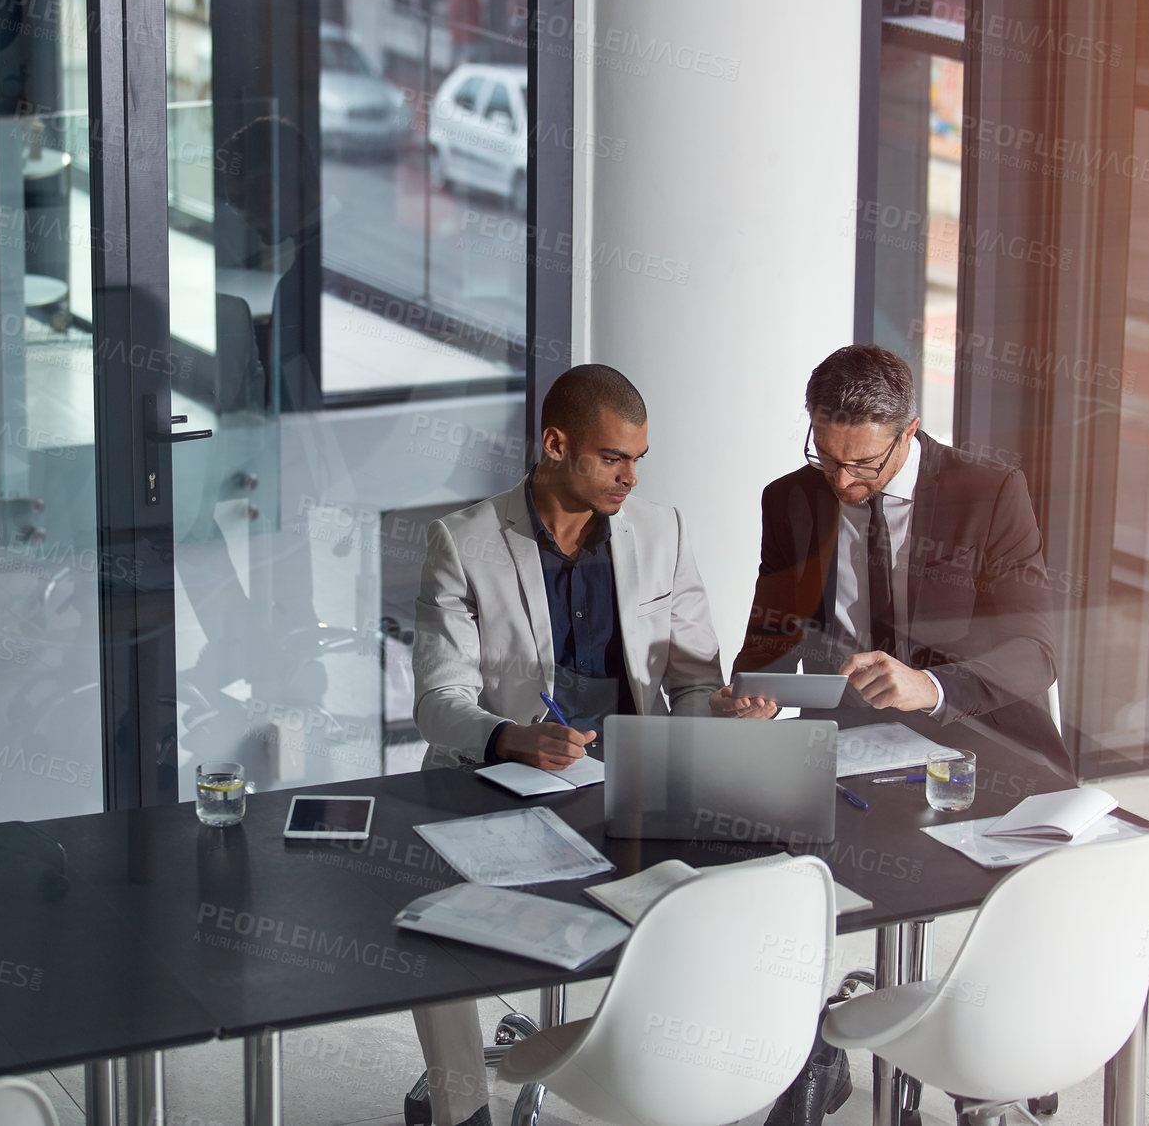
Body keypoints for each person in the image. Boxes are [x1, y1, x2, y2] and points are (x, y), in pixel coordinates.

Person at [714, 343, 1067, 1126]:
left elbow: (1033, 653)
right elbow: (773, 623)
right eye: (826, 454)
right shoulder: (793, 497)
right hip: (853, 730)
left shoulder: (986, 492)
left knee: (976, 875)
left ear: (908, 431)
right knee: (759, 847)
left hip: (976, 732)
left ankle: (984, 1050)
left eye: (863, 465)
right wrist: (756, 688)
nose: (842, 481)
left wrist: (930, 687)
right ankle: (809, 1052)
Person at [409, 365, 727, 1126]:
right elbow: (437, 703)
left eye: (639, 458)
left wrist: (718, 719)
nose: (630, 476)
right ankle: (460, 1105)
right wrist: (510, 737)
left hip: (631, 779)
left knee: (734, 886)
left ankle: (672, 1071)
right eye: (614, 458)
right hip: (499, 779)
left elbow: (692, 683)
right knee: (427, 912)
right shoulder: (462, 542)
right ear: (556, 445)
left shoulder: (663, 531)